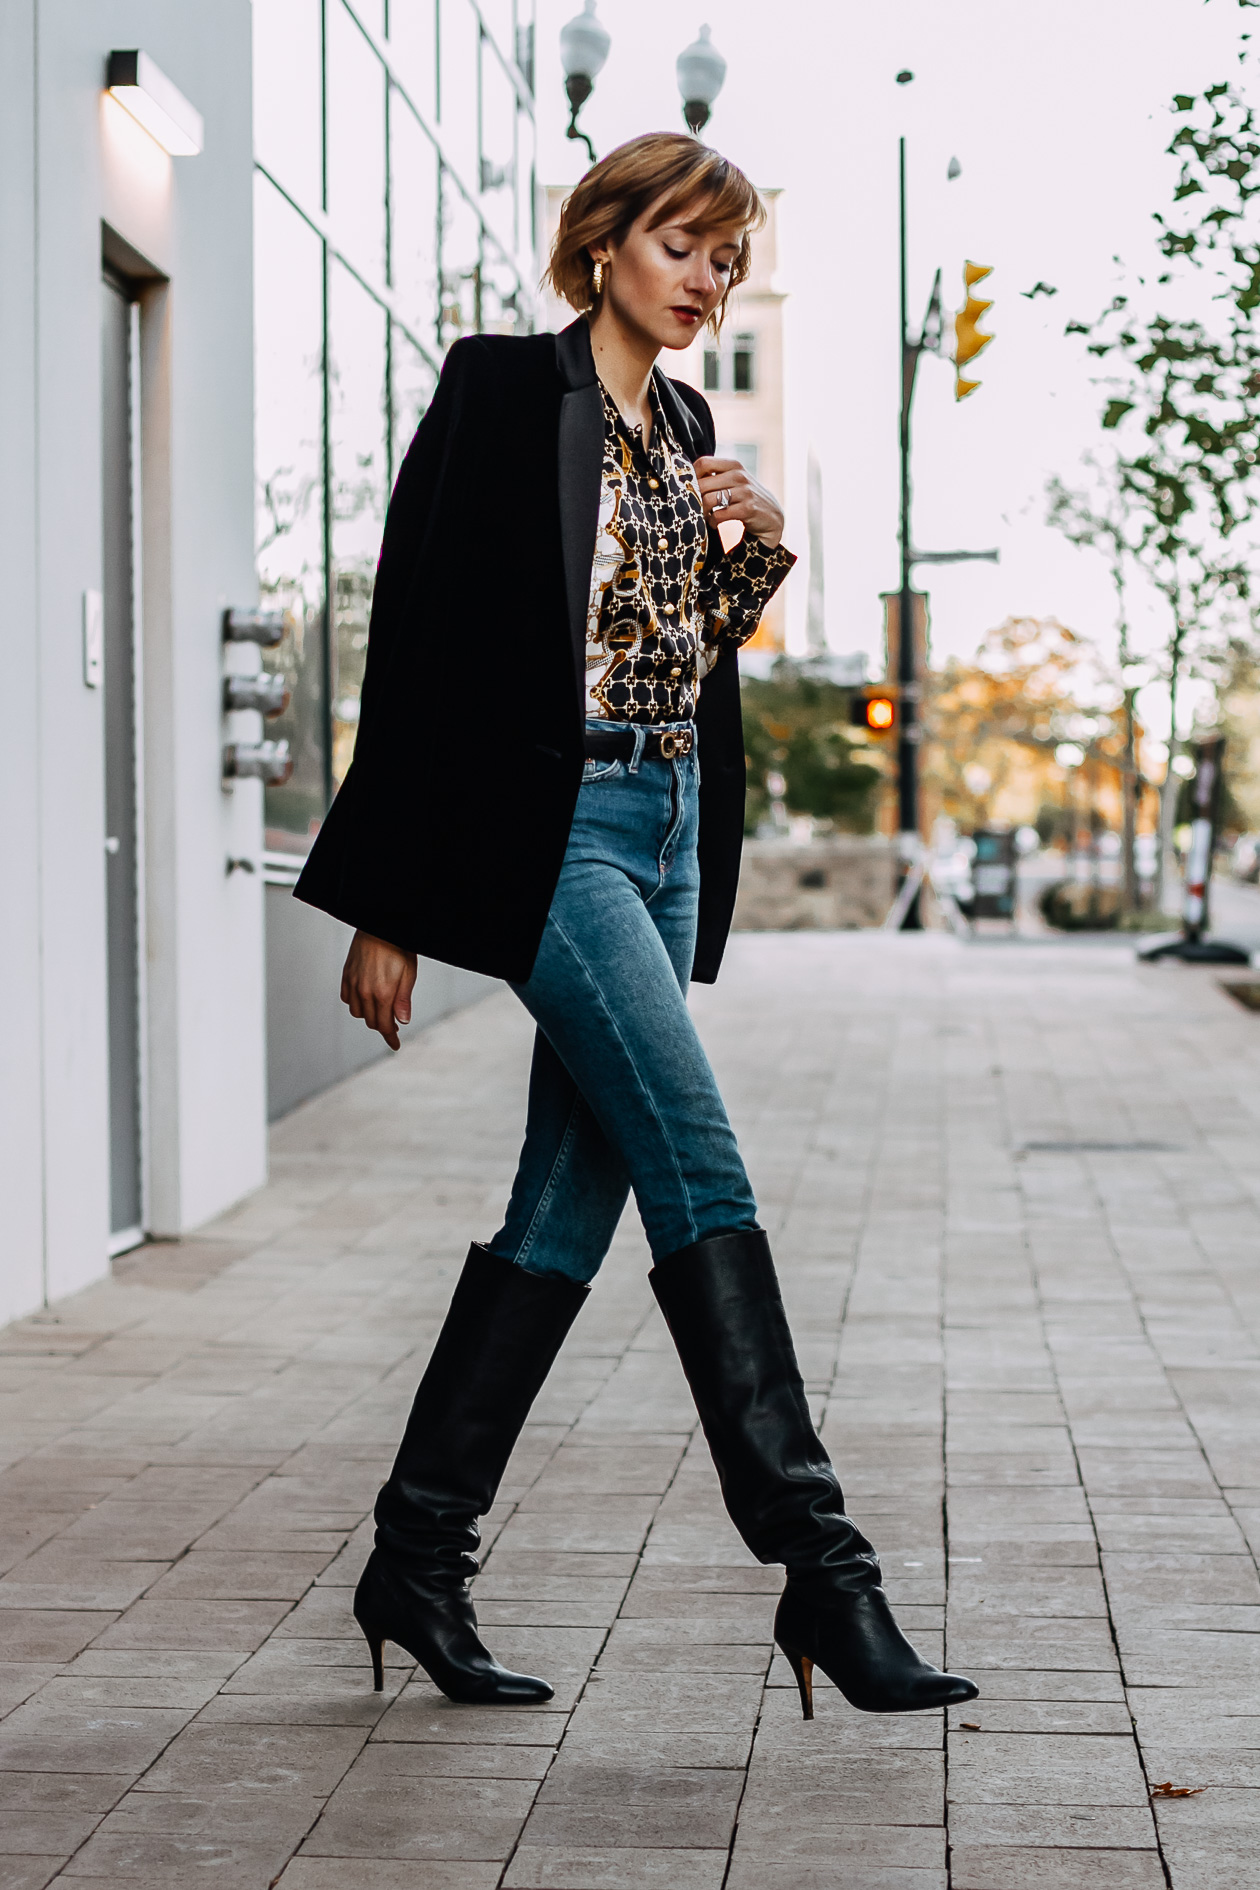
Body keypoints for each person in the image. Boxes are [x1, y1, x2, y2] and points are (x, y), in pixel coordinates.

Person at [295, 132, 977, 1722]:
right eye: (685, 246)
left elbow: (671, 656)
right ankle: (826, 1568)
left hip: (663, 826)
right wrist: (385, 896)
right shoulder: (497, 390)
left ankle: (417, 1556)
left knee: (562, 1204)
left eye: (728, 261)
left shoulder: (684, 420)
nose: (707, 281)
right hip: (561, 839)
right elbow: (424, 640)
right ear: (604, 242)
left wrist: (756, 549)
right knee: (698, 1158)